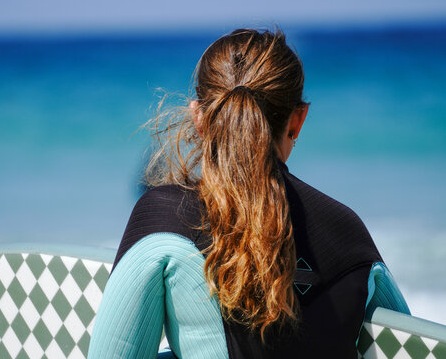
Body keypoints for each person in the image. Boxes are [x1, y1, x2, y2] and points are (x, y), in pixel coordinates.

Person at [88, 28, 408, 359]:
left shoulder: (164, 219)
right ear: (297, 121)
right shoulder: (348, 233)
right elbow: (411, 345)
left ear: (199, 117)